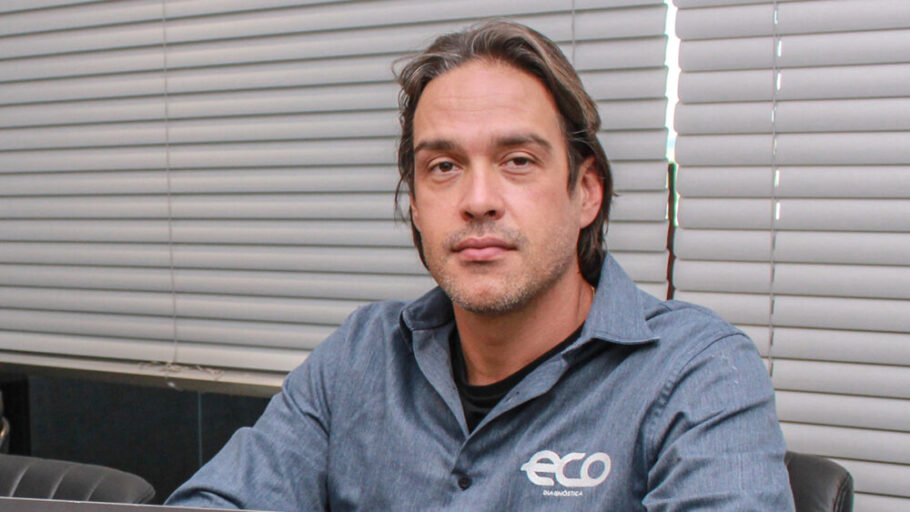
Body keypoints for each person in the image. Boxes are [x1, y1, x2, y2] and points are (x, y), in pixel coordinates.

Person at [167, 21, 794, 511]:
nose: (477, 200)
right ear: (415, 207)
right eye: (443, 167)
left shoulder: (696, 373)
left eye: (518, 160)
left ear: (586, 192)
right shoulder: (361, 357)